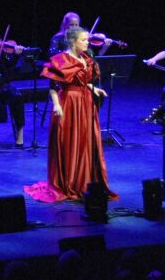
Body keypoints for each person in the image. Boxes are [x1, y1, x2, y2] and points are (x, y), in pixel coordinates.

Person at [25, 26, 118, 202]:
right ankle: (68, 181)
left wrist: (94, 88)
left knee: (85, 141)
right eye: (83, 40)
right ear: (73, 42)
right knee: (70, 141)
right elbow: (53, 86)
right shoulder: (61, 60)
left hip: (85, 103)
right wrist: (56, 105)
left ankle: (85, 180)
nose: (87, 43)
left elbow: (82, 81)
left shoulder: (86, 58)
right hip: (68, 103)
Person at [48, 11, 113, 58]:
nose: (74, 27)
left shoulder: (81, 39)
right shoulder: (58, 37)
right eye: (71, 25)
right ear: (65, 25)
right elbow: (52, 55)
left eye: (76, 25)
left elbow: (92, 57)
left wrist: (104, 48)